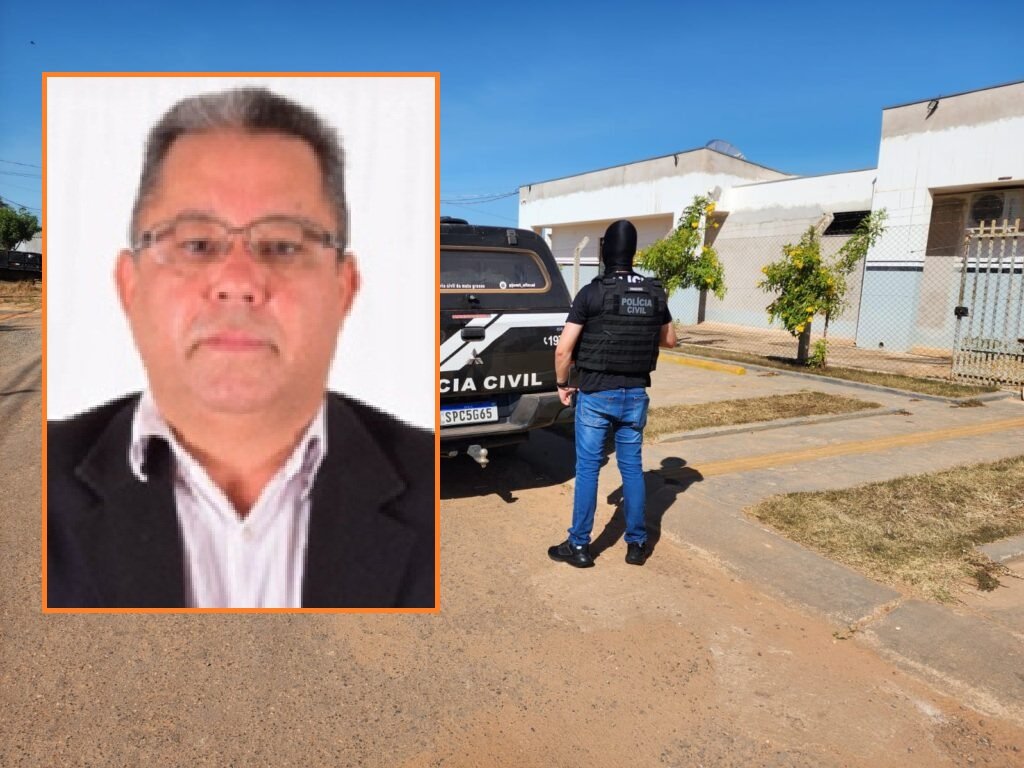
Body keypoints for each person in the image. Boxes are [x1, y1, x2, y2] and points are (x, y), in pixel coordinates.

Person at [46, 87, 434, 609]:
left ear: (343, 289)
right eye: (196, 244)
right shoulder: (31, 484)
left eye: (282, 245)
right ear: (129, 285)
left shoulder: (428, 478)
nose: (237, 282)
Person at [548, 220, 676, 568]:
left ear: (604, 253)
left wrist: (562, 384)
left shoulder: (592, 292)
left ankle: (579, 546)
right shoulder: (654, 292)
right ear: (633, 253)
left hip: (596, 394)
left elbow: (563, 350)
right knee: (632, 468)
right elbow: (670, 340)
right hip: (635, 394)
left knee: (588, 469)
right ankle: (637, 545)